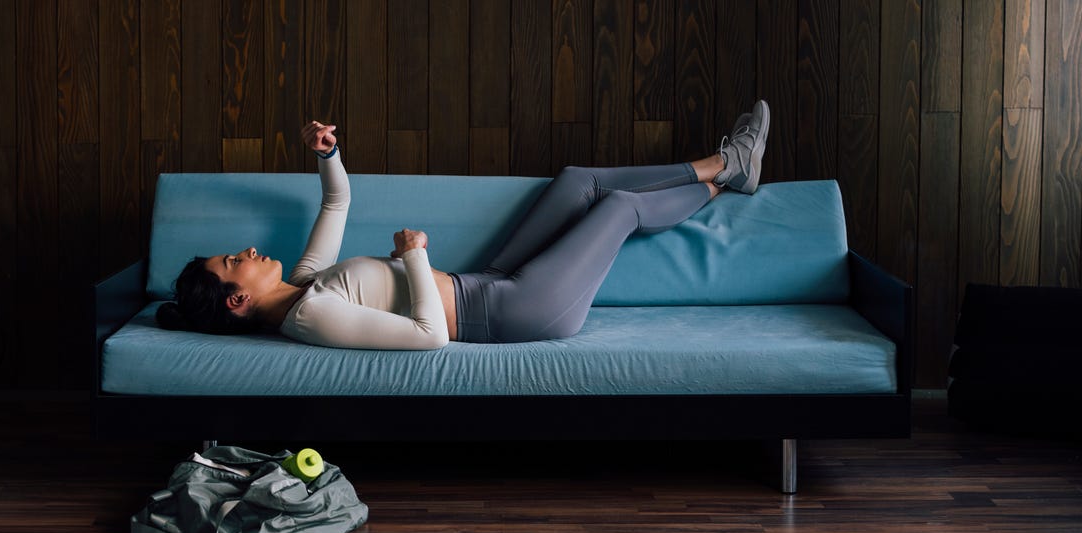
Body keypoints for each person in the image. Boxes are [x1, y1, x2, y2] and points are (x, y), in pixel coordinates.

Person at [156, 100, 771, 350]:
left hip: (490, 281)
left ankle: (725, 171)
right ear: (237, 300)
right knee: (618, 207)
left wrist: (326, 155)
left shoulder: (304, 284)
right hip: (518, 311)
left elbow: (336, 204)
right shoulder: (310, 316)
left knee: (578, 182)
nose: (251, 249)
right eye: (236, 260)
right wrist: (414, 257)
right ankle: (727, 169)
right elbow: (429, 340)